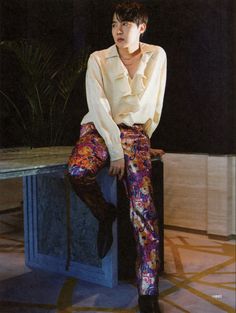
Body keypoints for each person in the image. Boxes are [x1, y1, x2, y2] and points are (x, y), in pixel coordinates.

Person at [67, 2, 167, 312]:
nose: (118, 30)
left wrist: (141, 142)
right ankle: (104, 213)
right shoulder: (98, 59)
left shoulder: (157, 55)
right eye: (114, 24)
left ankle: (148, 293)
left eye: (125, 24)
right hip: (98, 129)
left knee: (143, 214)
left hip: (135, 134)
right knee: (77, 171)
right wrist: (115, 150)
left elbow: (155, 102)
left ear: (142, 27)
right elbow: (98, 107)